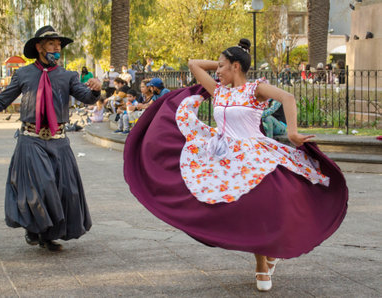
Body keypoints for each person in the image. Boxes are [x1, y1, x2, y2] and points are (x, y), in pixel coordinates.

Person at [123, 39, 348, 292]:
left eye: (221, 67)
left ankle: (263, 261)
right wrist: (226, 62)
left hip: (253, 153)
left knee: (261, 203)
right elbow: (193, 64)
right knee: (230, 208)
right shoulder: (219, 90)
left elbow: (287, 97)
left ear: (236, 67)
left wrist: (294, 134)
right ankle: (265, 255)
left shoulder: (255, 89)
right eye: (217, 67)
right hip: (222, 154)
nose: (216, 72)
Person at [0, 25, 102, 252]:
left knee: (65, 190)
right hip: (31, 139)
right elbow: (0, 101)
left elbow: (87, 97)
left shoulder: (68, 76)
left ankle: (49, 235)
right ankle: (34, 228)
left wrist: (95, 90)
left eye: (59, 45)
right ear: (39, 47)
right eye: (52, 44)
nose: (57, 48)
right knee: (42, 185)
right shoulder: (24, 74)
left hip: (59, 141)